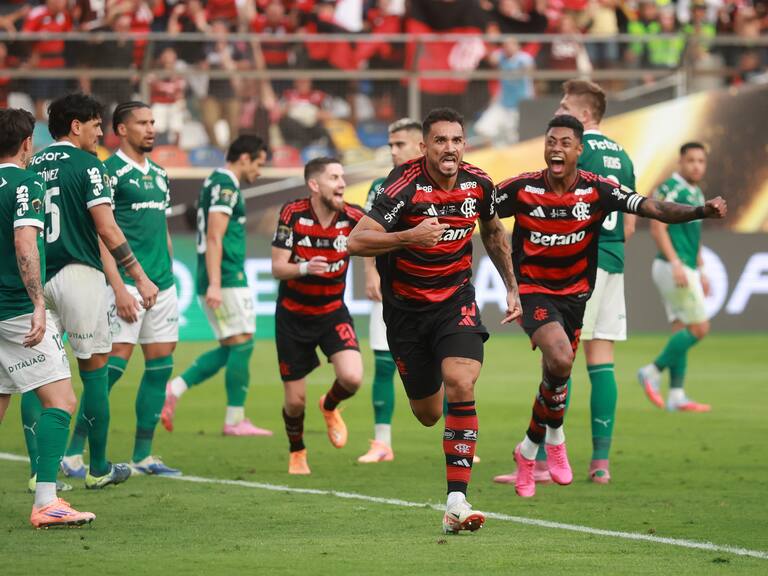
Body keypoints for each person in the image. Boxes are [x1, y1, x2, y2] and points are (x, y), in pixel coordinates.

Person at [493, 115, 726, 498]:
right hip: (534, 291)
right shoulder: (522, 188)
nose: (556, 148)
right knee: (561, 359)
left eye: (565, 143)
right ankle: (556, 437)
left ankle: (528, 449)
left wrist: (700, 211)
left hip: (575, 295)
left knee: (555, 374)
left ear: (578, 150)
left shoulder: (597, 189)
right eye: (551, 141)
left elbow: (652, 208)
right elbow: (476, 208)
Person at [348, 108, 521, 534]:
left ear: (465, 144)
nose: (450, 148)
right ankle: (449, 416)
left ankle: (456, 502)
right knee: (427, 413)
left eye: (456, 140)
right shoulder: (401, 186)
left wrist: (512, 287)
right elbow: (356, 241)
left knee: (461, 381)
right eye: (441, 141)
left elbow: (493, 231)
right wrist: (410, 236)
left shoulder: (479, 183)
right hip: (406, 313)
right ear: (425, 146)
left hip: (455, 301)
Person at [496, 79, 638, 486]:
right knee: (601, 359)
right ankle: (600, 462)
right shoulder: (623, 154)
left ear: (584, 116)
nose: (558, 113)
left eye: (565, 107)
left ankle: (540, 458)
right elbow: (630, 224)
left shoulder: (576, 150)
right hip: (614, 259)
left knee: (560, 359)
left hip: (574, 265)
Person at [25, 93, 159, 489]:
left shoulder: (31, 164)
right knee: (95, 372)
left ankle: (39, 474)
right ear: (75, 126)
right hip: (79, 275)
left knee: (35, 375)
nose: (100, 133)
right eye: (96, 125)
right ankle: (98, 468)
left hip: (36, 278)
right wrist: (138, 276)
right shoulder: (89, 165)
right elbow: (107, 228)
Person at [62, 102, 180, 476]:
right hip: (126, 285)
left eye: (153, 122)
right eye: (142, 123)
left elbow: (162, 229)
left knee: (160, 367)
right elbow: (103, 235)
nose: (151, 128)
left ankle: (143, 456)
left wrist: (168, 275)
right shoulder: (108, 172)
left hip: (162, 285)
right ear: (122, 130)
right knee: (110, 370)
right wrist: (119, 287)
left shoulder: (160, 173)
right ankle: (72, 452)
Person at [0, 108, 95, 528]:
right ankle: (46, 502)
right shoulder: (26, 183)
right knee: (61, 400)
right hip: (15, 310)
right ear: (27, 144)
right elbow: (25, 244)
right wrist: (38, 303)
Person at [162, 135, 270, 436]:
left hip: (224, 274)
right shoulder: (225, 185)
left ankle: (175, 389)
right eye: (259, 163)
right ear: (244, 158)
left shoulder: (215, 181)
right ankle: (234, 421)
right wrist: (215, 283)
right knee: (243, 343)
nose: (259, 171)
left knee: (233, 345)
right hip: (226, 274)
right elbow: (214, 235)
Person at [271, 157, 365, 475]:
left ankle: (329, 405)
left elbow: (377, 241)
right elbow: (277, 267)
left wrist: (374, 275)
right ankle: (297, 451)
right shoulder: (293, 213)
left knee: (352, 378)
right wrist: (304, 268)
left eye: (343, 177)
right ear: (314, 184)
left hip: (332, 312)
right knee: (295, 402)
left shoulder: (353, 216)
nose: (342, 184)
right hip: (293, 317)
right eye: (334, 178)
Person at [357, 118, 423, 464]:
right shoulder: (380, 186)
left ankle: (458, 439)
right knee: (384, 364)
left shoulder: (440, 184)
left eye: (400, 144)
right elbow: (367, 233)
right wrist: (370, 273)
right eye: (391, 145)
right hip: (390, 286)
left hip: (431, 288)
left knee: (448, 365)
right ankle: (382, 442)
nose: (393, 151)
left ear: (420, 146)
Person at [638, 142, 714, 412]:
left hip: (685, 266)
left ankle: (677, 395)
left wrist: (701, 269)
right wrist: (676, 264)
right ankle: (652, 371)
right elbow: (657, 229)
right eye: (691, 160)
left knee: (682, 329)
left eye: (701, 161)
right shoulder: (669, 188)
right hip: (673, 266)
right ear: (680, 162)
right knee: (700, 328)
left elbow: (694, 237)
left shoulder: (696, 192)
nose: (696, 166)